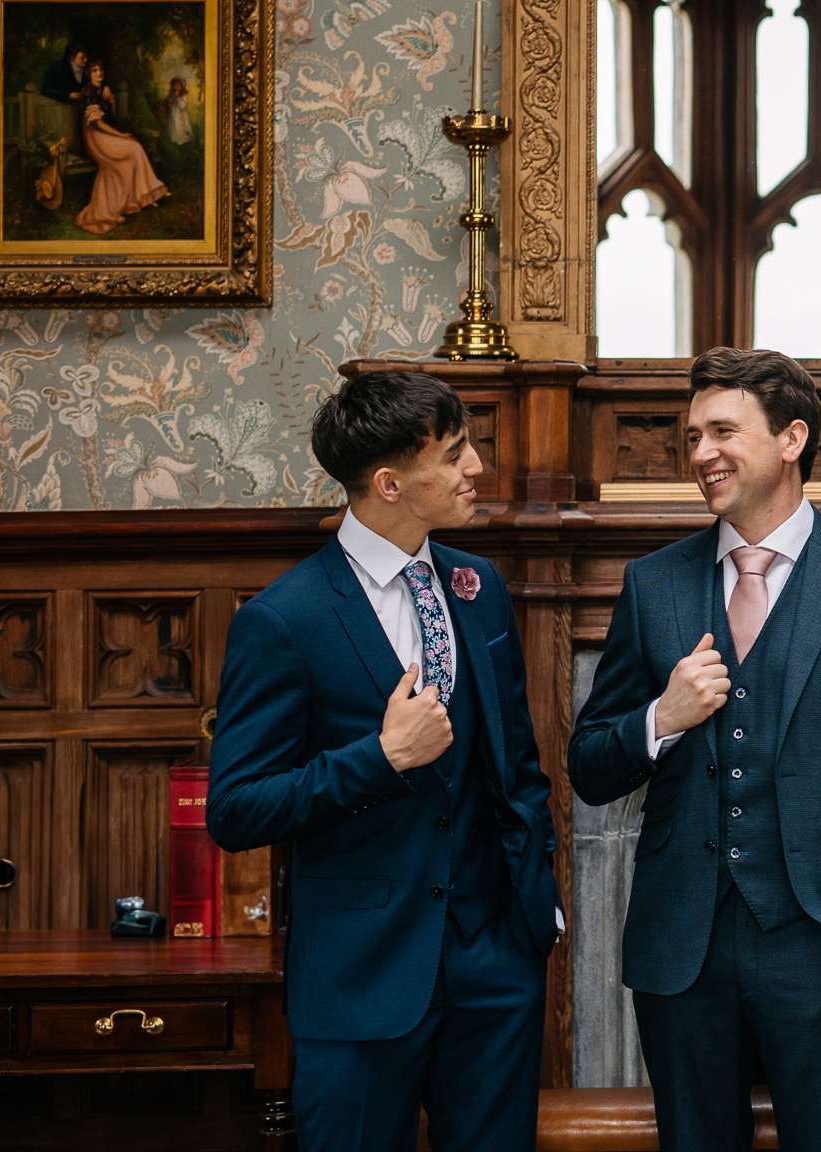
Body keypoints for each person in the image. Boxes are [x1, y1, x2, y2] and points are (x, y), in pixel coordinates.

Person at [568, 347, 821, 1152]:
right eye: (692, 436)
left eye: (722, 431)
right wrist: (662, 718)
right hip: (684, 950)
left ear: (791, 439)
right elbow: (591, 765)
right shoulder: (654, 584)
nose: (701, 453)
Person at [207, 370, 562, 1152]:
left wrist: (535, 903)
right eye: (457, 452)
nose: (477, 468)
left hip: (495, 964)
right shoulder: (284, 619)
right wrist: (380, 757)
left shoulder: (480, 587)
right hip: (361, 975)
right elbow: (236, 809)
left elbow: (517, 759)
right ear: (391, 483)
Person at [74, 62, 168, 235]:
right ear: (89, 74)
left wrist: (113, 101)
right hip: (96, 138)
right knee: (134, 148)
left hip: (105, 134)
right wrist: (121, 136)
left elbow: (110, 117)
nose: (99, 72)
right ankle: (148, 192)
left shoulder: (103, 91)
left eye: (101, 69)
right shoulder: (88, 95)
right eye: (94, 70)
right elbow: (99, 124)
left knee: (134, 150)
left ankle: (143, 196)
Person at [160, 77, 194, 145]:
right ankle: (174, 145)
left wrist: (178, 97)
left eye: (177, 85)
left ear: (182, 86)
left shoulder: (184, 96)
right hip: (173, 117)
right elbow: (166, 101)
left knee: (180, 132)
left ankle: (182, 146)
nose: (175, 87)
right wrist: (168, 104)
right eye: (174, 85)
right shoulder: (171, 94)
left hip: (181, 118)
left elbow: (182, 106)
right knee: (173, 130)